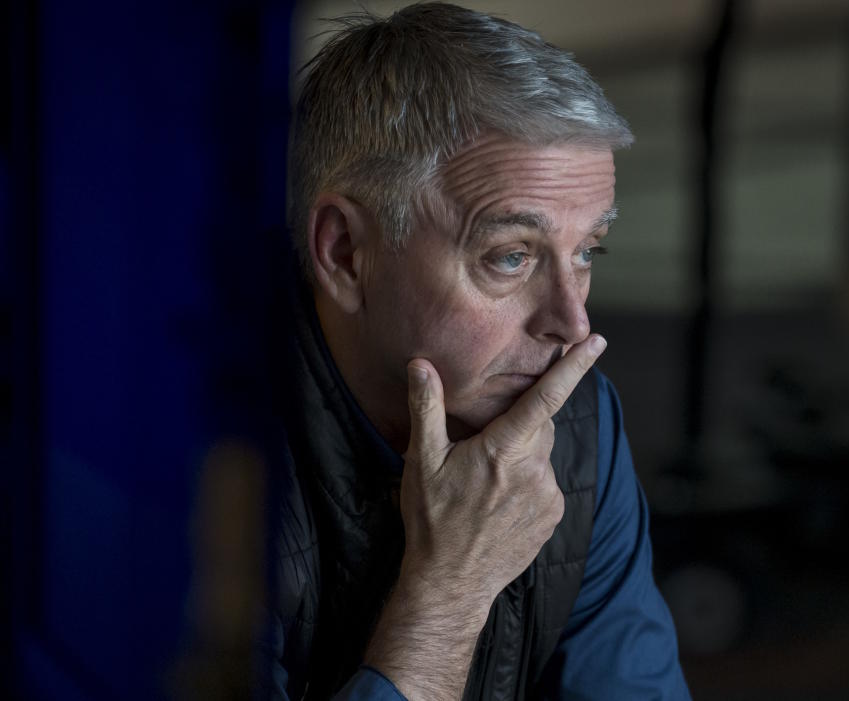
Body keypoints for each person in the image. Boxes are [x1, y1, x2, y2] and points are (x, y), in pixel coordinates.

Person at [268, 3, 690, 700]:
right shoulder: (204, 473)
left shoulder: (576, 428)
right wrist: (449, 592)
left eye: (587, 251)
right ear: (346, 253)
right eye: (511, 256)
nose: (573, 323)